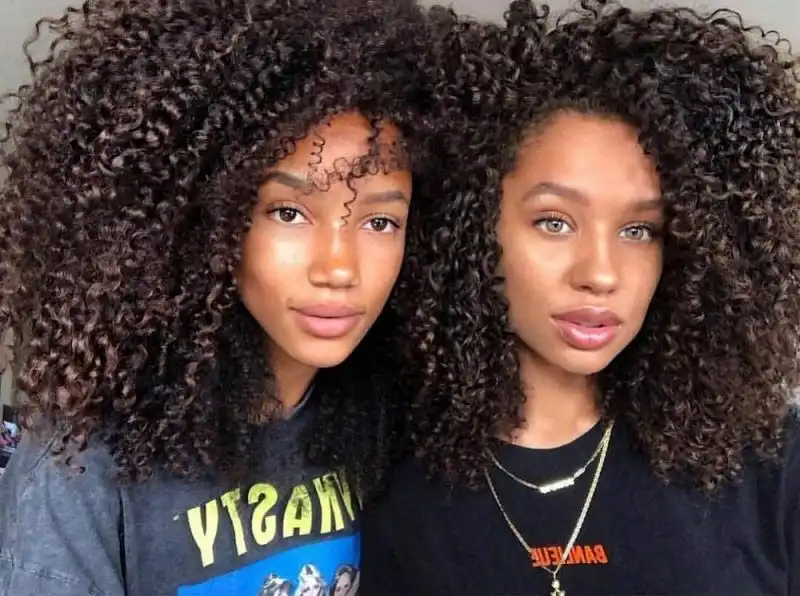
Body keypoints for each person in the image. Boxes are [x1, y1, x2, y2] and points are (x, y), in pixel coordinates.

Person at [0, 0, 443, 593]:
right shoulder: (82, 460)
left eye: (380, 221)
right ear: (203, 219)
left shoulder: (402, 419)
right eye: (288, 212)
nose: (339, 268)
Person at [360, 1, 800, 595]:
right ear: (473, 225)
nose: (601, 274)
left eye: (638, 231)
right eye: (555, 222)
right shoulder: (376, 467)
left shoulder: (771, 462)